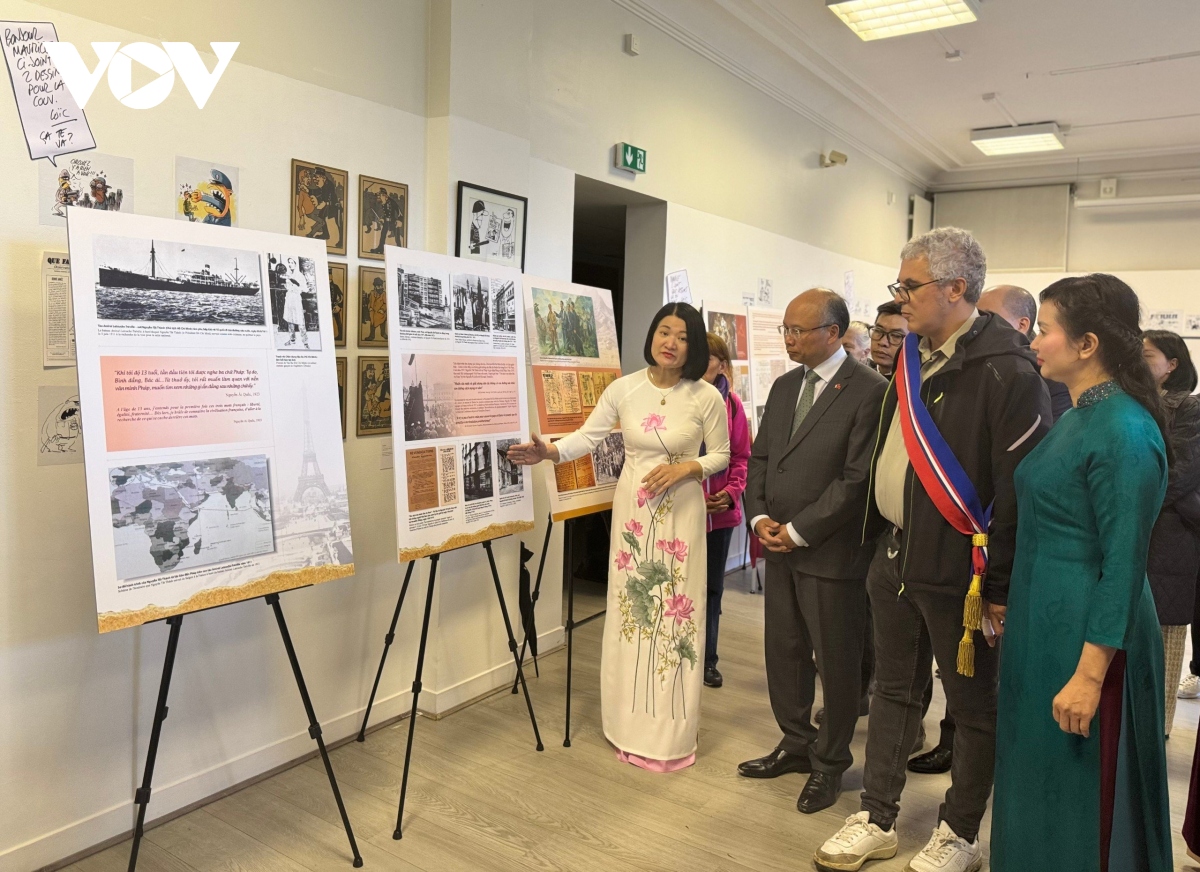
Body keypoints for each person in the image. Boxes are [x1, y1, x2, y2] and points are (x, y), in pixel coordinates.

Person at [815, 227, 1051, 872]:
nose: (901, 300)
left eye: (909, 286)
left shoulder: (1006, 369)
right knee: (893, 690)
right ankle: (878, 815)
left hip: (963, 569)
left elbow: (1018, 493)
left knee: (973, 707)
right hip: (893, 554)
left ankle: (960, 832)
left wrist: (998, 587)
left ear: (956, 288)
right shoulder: (914, 355)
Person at [991, 274, 1173, 872]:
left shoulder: (1124, 429)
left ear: (1087, 343)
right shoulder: (1077, 413)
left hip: (1089, 639)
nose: (1034, 343)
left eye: (1044, 331)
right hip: (1046, 626)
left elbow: (1124, 563)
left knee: (1082, 792)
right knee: (1038, 776)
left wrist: (1091, 676)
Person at [507, 303, 729, 771]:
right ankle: (626, 728)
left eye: (683, 336)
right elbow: (586, 439)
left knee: (674, 620)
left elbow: (723, 456)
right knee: (633, 614)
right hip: (634, 514)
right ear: (651, 335)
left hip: (681, 514)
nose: (670, 342)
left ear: (694, 345)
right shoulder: (624, 389)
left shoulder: (705, 396)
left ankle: (669, 737)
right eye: (663, 331)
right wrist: (546, 451)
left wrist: (685, 468)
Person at [740, 288, 887, 816]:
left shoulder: (870, 391)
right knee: (784, 650)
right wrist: (758, 517)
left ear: (833, 333)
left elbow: (857, 479)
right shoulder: (784, 387)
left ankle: (830, 763)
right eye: (785, 329)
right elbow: (760, 458)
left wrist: (799, 529)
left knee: (837, 661)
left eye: (798, 330)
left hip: (831, 552)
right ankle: (795, 742)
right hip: (775, 546)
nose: (788, 338)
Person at [1142, 330, 1200, 736]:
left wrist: (1132, 499)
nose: (1139, 362)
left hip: (1170, 534)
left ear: (1172, 364)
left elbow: (1180, 473)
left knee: (1165, 634)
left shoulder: (1189, 407)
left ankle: (1155, 728)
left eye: (1148, 355)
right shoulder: (1131, 402)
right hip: (1140, 529)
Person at [700, 332, 752, 689]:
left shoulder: (731, 405)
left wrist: (731, 493)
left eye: (712, 357)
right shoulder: (677, 398)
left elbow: (741, 457)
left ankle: (708, 660)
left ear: (722, 363)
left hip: (719, 513)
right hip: (681, 511)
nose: (705, 363)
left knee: (712, 589)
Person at [978, 284, 1072, 421]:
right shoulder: (976, 363)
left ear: (1022, 325)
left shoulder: (1052, 376)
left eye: (988, 317)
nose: (976, 324)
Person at [868, 301, 908, 377]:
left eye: (896, 335)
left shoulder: (916, 385)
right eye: (878, 330)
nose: (883, 342)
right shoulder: (859, 377)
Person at [280, 258, 310, 348]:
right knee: (290, 319)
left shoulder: (300, 275)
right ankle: (292, 339)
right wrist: (287, 285)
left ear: (295, 264)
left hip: (296, 298)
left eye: (292, 263)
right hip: (289, 298)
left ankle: (305, 342)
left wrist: (295, 283)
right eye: (289, 263)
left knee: (300, 320)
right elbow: (288, 286)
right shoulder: (288, 274)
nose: (290, 264)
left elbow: (304, 288)